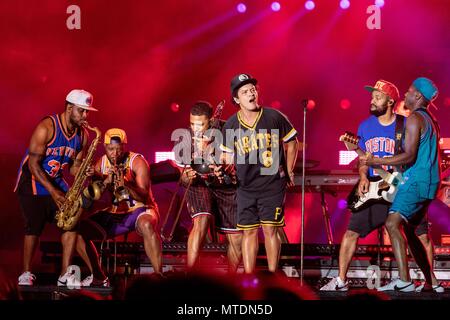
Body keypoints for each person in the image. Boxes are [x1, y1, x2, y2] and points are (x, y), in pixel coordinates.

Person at [320, 80, 442, 292]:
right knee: (353, 232)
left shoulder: (407, 122)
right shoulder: (365, 127)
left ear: (389, 101)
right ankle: (341, 280)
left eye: (377, 96)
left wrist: (377, 163)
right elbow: (363, 160)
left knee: (415, 233)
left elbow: (411, 156)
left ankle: (423, 281)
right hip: (378, 189)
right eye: (372, 96)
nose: (372, 100)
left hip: (403, 184)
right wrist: (363, 175)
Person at [360, 77, 442, 292]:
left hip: (416, 182)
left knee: (392, 223)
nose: (405, 95)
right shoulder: (430, 119)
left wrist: (377, 161)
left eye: (408, 91)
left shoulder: (414, 118)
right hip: (429, 183)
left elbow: (409, 156)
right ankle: (432, 282)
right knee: (409, 230)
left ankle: (404, 280)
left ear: (418, 96)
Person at [58, 128, 162, 286]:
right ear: (105, 147)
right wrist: (100, 178)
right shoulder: (101, 163)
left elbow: (144, 196)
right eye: (110, 149)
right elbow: (95, 196)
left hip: (140, 210)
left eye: (118, 149)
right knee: (77, 231)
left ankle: (158, 276)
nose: (114, 154)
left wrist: (125, 184)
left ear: (124, 147)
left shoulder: (137, 161)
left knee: (146, 225)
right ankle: (99, 276)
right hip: (115, 213)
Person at [14, 89, 97, 286]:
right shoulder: (47, 127)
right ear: (69, 108)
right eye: (82, 111)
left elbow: (74, 168)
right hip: (32, 180)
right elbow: (33, 165)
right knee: (34, 226)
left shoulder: (82, 135)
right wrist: (52, 191)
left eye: (87, 111)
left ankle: (64, 274)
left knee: (71, 223)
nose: (86, 116)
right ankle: (26, 273)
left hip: (56, 180)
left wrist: (84, 171)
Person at [219, 73, 298, 274]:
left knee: (270, 230)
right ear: (237, 99)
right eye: (244, 92)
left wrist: (289, 170)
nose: (250, 94)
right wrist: (224, 168)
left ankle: (272, 276)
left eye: (253, 89)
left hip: (272, 185)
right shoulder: (231, 124)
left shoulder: (274, 116)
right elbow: (226, 158)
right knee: (249, 231)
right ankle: (249, 277)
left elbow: (292, 142)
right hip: (245, 187)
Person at [173, 101, 243, 272]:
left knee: (236, 236)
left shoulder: (228, 130)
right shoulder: (184, 137)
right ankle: (191, 276)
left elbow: (236, 162)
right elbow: (181, 175)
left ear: (211, 121)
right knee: (201, 221)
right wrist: (185, 177)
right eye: (192, 124)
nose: (195, 129)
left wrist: (217, 157)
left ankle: (232, 279)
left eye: (201, 124)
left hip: (225, 186)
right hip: (199, 185)